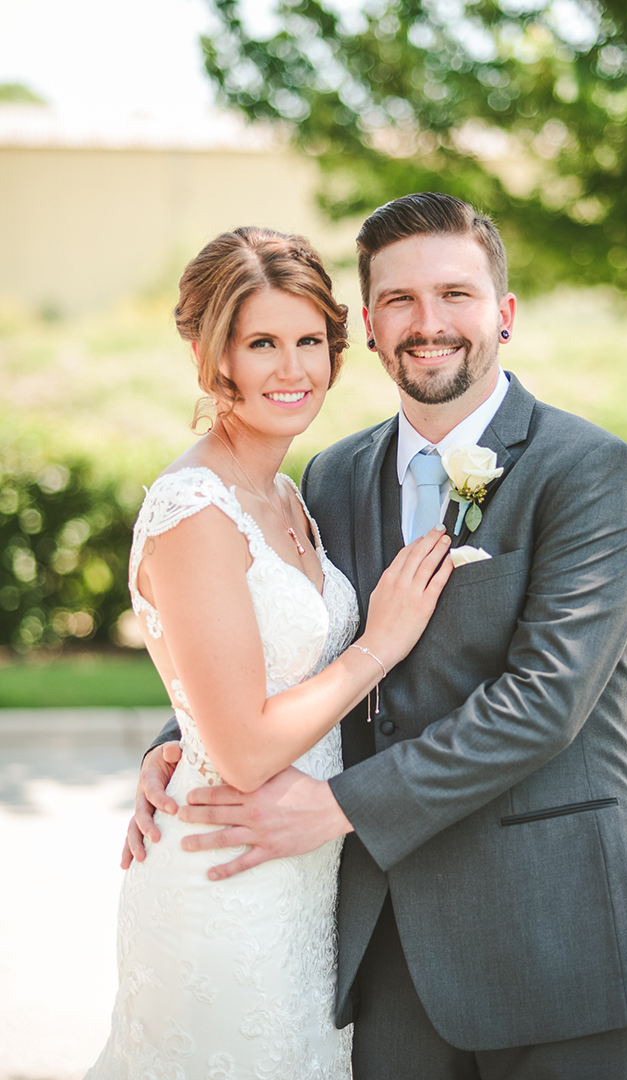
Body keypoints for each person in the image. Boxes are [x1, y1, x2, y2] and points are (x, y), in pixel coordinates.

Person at [128, 195, 627, 1080]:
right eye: (399, 300)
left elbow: (545, 700)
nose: (429, 324)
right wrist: (183, 744)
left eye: (455, 295)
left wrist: (341, 805)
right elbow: (298, 634)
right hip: (385, 943)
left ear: (502, 315)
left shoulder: (588, 471)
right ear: (368, 324)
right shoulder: (333, 473)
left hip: (558, 933)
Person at [85, 226, 453, 1080]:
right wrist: (378, 645)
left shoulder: (288, 491)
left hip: (306, 885)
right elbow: (245, 748)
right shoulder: (195, 510)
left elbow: (237, 680)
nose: (292, 370)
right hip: (225, 881)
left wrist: (175, 742)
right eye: (261, 344)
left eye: (308, 342)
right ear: (211, 354)